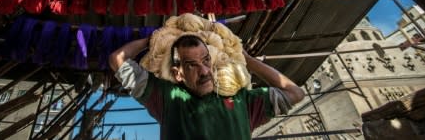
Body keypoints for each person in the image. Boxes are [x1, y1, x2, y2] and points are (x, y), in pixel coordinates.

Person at [109, 33, 305, 140]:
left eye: (206, 60)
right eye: (192, 65)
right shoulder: (166, 98)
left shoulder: (242, 101)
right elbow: (117, 60)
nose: (204, 71)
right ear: (178, 74)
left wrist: (247, 60)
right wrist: (152, 40)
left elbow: (295, 93)